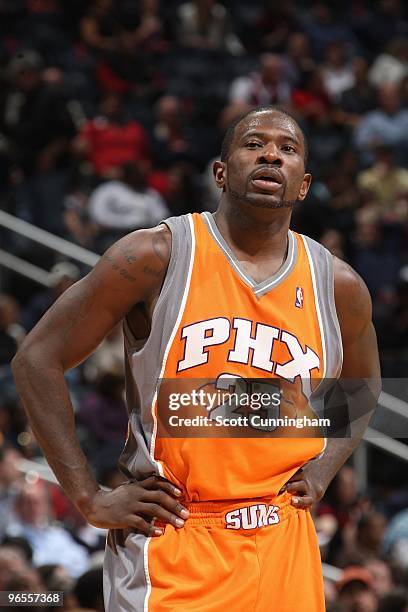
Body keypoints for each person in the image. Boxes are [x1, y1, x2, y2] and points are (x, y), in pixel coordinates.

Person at [12, 106, 381, 611]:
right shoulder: (154, 256)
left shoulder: (338, 286)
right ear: (221, 172)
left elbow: (362, 385)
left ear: (303, 185)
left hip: (284, 539)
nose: (271, 153)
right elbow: (36, 358)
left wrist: (323, 469)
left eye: (287, 148)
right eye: (253, 144)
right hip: (176, 536)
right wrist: (88, 497)